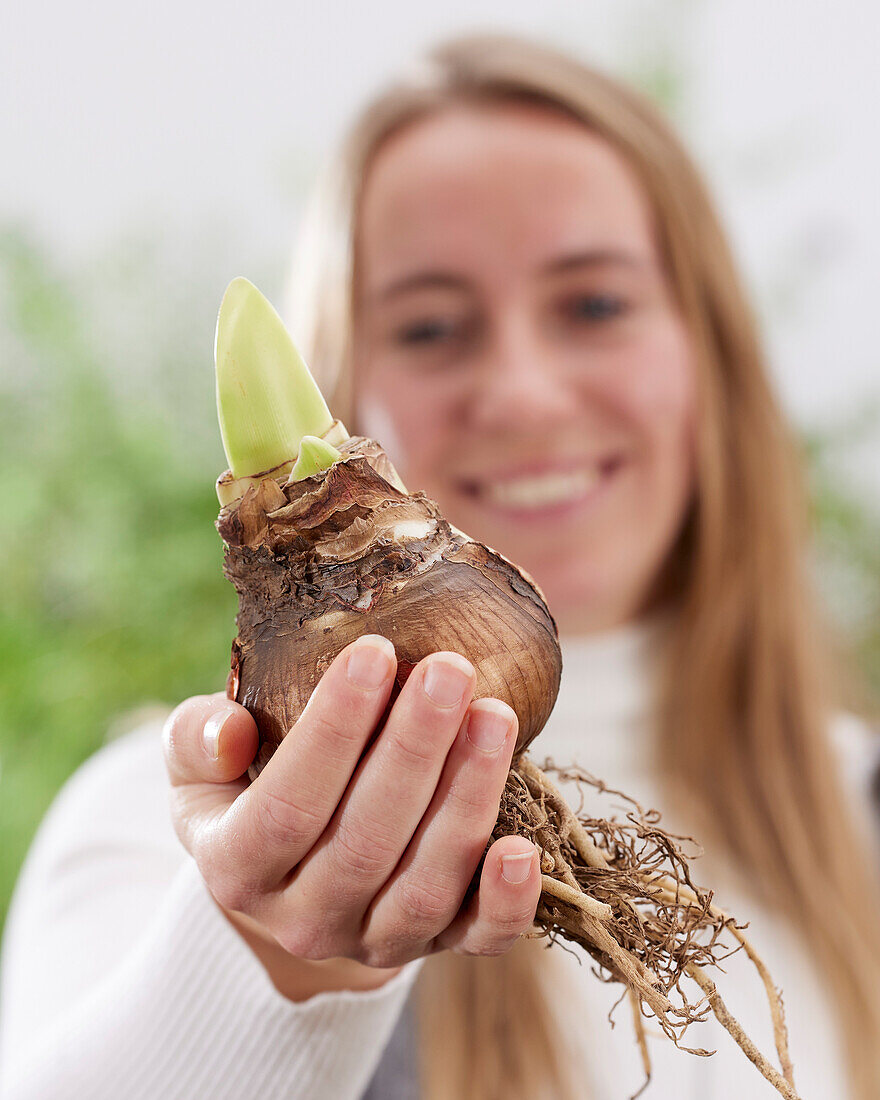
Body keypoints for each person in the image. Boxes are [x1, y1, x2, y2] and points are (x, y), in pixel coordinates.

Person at [1, 32, 879, 1100]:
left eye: (593, 304)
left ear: (712, 357)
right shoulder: (169, 828)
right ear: (342, 394)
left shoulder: (863, 805)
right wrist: (271, 953)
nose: (520, 393)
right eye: (429, 326)